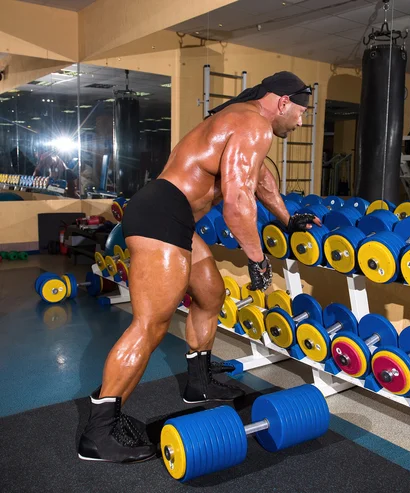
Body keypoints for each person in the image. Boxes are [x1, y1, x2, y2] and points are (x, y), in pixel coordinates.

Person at [78, 71, 321, 464]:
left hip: (174, 216)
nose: (300, 120)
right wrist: (258, 259)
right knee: (150, 325)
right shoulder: (254, 124)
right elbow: (238, 201)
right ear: (282, 102)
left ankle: (199, 381)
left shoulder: (241, 120)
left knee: (210, 293)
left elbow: (262, 183)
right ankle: (99, 432)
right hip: (162, 213)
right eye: (300, 111)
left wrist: (287, 220)